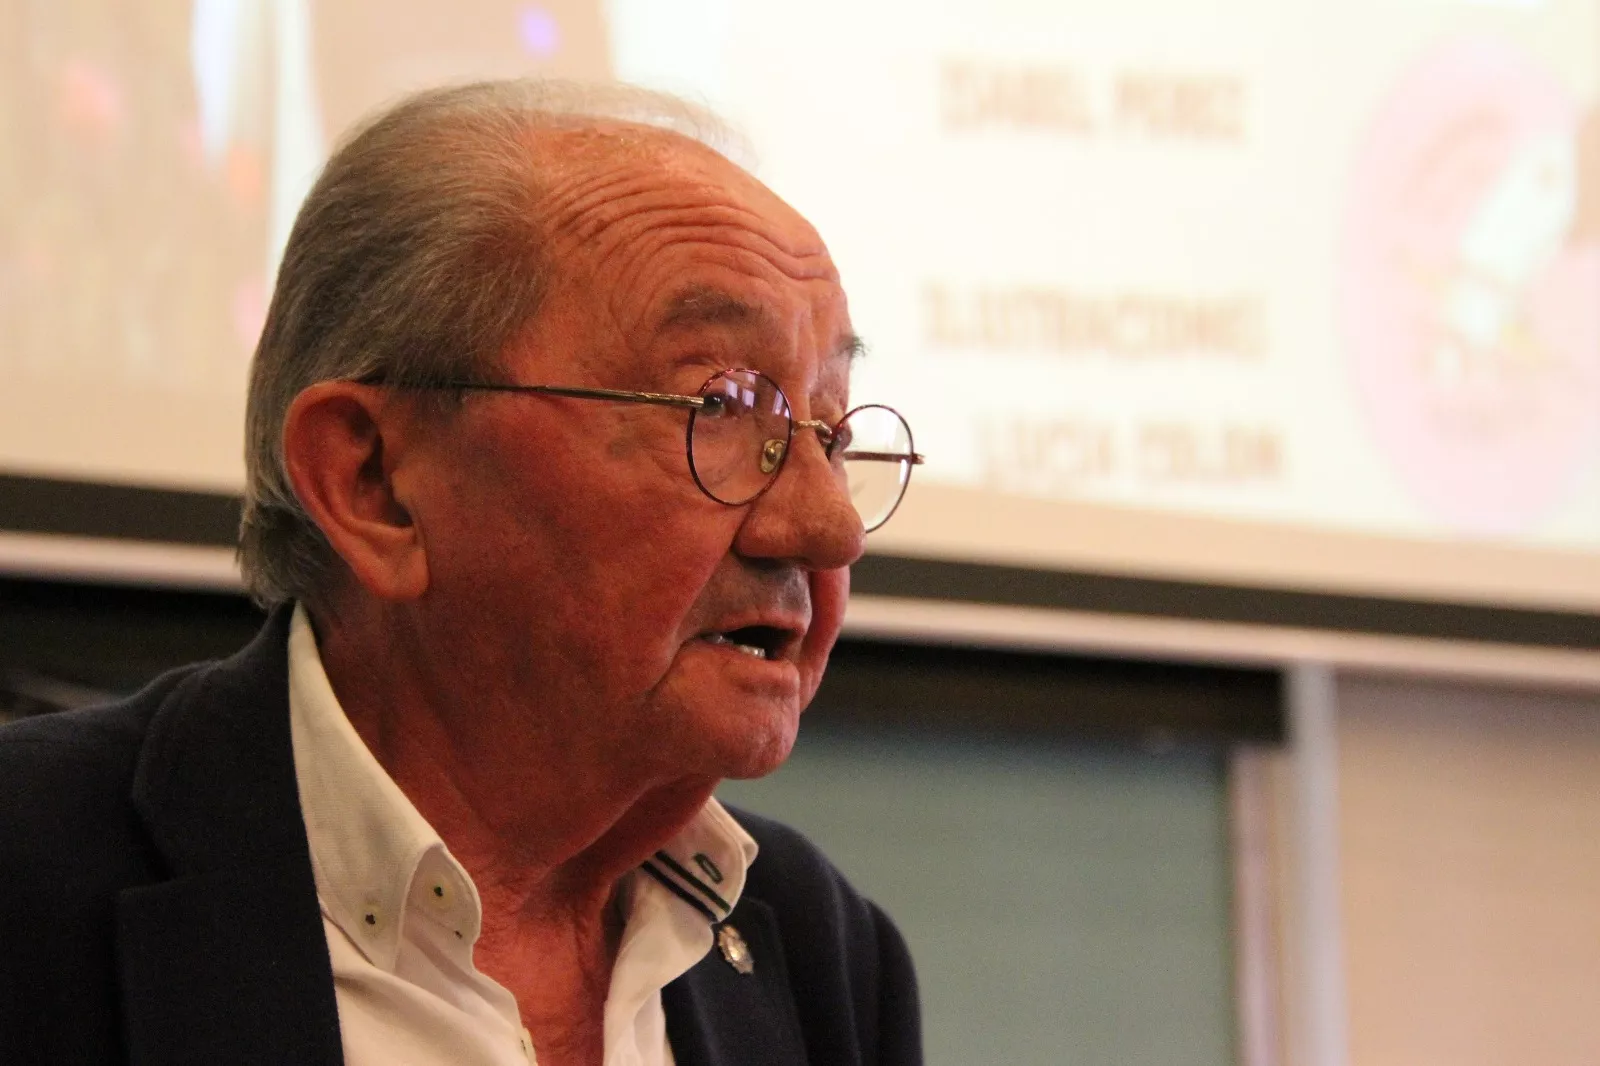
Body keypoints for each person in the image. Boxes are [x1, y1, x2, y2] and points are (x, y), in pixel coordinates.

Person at [0, 80, 923, 1066]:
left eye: (827, 426)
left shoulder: (822, 954)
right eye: (721, 406)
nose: (827, 528)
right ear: (375, 481)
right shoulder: (29, 890)